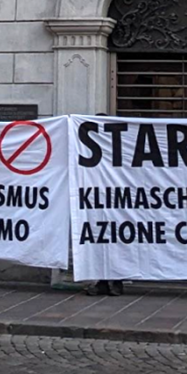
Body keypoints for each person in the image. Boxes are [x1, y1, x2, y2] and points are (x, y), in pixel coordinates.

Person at [85, 112, 124, 297]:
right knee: (98, 243)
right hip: (96, 203)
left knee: (114, 243)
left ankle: (116, 281)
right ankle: (103, 282)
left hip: (116, 203)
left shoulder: (119, 148)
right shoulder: (87, 149)